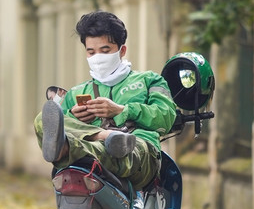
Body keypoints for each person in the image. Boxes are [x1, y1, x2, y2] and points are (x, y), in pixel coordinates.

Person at [35, 11, 177, 190]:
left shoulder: (149, 81)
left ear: (122, 50)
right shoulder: (76, 93)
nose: (98, 58)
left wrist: (122, 111)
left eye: (105, 50)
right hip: (91, 148)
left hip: (139, 150)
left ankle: (72, 149)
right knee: (42, 118)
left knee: (118, 150)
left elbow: (166, 117)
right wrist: (73, 117)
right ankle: (99, 137)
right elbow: (51, 127)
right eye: (91, 52)